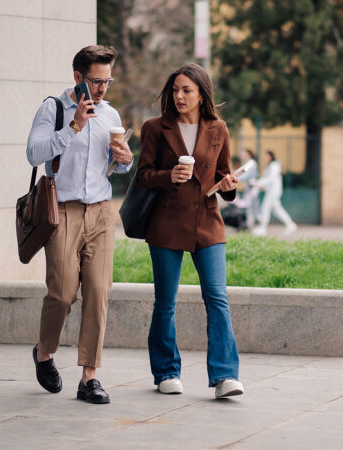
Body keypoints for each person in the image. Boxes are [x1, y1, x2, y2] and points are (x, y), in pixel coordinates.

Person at [26, 45, 133, 404]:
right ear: (78, 78)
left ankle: (89, 377)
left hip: (101, 211)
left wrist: (124, 160)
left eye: (108, 81)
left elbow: (112, 165)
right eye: (96, 81)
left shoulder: (110, 113)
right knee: (62, 292)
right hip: (63, 211)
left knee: (99, 292)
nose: (103, 89)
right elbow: (34, 153)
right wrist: (74, 127)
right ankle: (44, 352)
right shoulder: (53, 109)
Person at [136, 63, 244, 398]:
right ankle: (167, 371)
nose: (179, 96)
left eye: (187, 90)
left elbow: (223, 180)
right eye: (175, 90)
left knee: (217, 298)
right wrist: (169, 176)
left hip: (208, 222)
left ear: (201, 94)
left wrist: (229, 184)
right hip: (167, 222)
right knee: (165, 302)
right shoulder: (155, 127)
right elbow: (142, 176)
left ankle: (224, 376)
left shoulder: (218, 129)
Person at [251, 151, 297, 236]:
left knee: (265, 208)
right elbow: (267, 179)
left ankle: (262, 228)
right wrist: (260, 184)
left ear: (270, 156)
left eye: (266, 156)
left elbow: (270, 179)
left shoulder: (274, 166)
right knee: (277, 210)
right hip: (271, 191)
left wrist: (259, 183)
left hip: (273, 192)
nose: (265, 158)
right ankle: (290, 224)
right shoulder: (270, 166)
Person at [237, 148, 260, 227]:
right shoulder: (247, 163)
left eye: (244, 153)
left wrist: (236, 178)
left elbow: (247, 175)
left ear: (248, 154)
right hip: (249, 188)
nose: (242, 155)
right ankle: (251, 225)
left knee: (252, 207)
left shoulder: (251, 163)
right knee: (250, 207)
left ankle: (255, 224)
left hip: (252, 188)